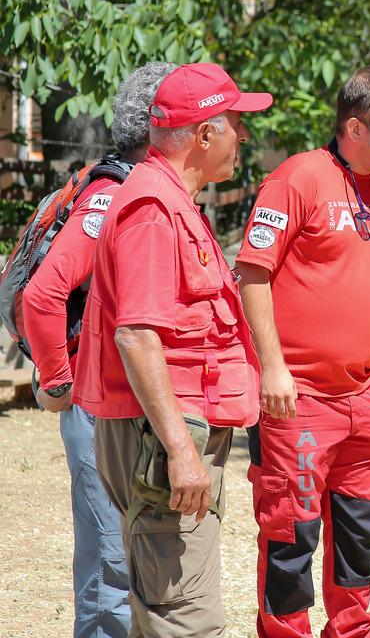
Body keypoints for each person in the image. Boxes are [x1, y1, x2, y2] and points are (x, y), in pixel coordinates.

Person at [72, 62, 272, 636]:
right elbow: (136, 335)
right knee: (184, 619)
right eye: (236, 121)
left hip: (170, 433)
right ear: (205, 133)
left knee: (166, 611)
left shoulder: (171, 200)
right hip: (163, 441)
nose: (245, 134)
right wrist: (181, 450)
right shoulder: (153, 209)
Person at [236, 66, 370, 638]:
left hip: (365, 402)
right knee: (290, 537)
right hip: (297, 401)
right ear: (356, 128)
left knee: (361, 539)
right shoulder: (296, 179)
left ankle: (353, 631)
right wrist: (274, 369)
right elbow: (253, 275)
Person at [23, 62, 175, 637]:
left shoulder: (142, 190)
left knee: (121, 560)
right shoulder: (111, 196)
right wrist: (59, 383)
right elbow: (44, 296)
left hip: (121, 403)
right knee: (112, 567)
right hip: (94, 404)